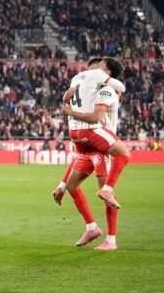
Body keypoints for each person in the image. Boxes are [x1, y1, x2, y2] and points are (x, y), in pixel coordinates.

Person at [52, 58, 121, 250]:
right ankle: (91, 227)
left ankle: (111, 240)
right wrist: (67, 100)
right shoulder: (90, 93)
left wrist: (70, 110)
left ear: (104, 74)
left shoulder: (106, 92)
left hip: (103, 148)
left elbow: (94, 118)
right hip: (90, 146)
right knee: (73, 186)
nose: (89, 73)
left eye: (96, 69)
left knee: (106, 193)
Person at [62, 57, 130, 210]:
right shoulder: (102, 83)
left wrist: (65, 102)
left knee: (72, 185)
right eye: (97, 65)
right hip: (97, 134)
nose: (98, 67)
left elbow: (73, 102)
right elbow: (121, 88)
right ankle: (107, 192)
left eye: (101, 65)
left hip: (78, 132)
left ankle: (91, 227)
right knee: (124, 154)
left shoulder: (78, 79)